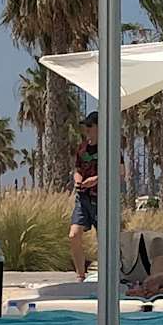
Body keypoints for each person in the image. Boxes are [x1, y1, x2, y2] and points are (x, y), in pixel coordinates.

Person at [68, 112, 102, 281]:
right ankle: (80, 274)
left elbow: (120, 172)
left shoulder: (109, 148)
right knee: (74, 235)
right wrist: (78, 179)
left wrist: (96, 180)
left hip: (102, 200)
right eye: (85, 126)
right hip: (83, 198)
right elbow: (77, 170)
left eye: (90, 126)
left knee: (104, 239)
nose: (86, 129)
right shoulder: (82, 149)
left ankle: (107, 273)